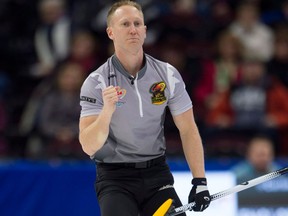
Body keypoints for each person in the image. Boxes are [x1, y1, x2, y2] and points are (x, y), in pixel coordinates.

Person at [78, 1, 211, 215]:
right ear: (110, 32)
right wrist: (107, 112)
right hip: (115, 179)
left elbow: (188, 129)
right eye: (125, 24)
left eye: (137, 23)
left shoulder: (167, 74)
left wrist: (200, 180)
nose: (132, 29)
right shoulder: (96, 81)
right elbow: (88, 146)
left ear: (145, 31)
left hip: (157, 176)